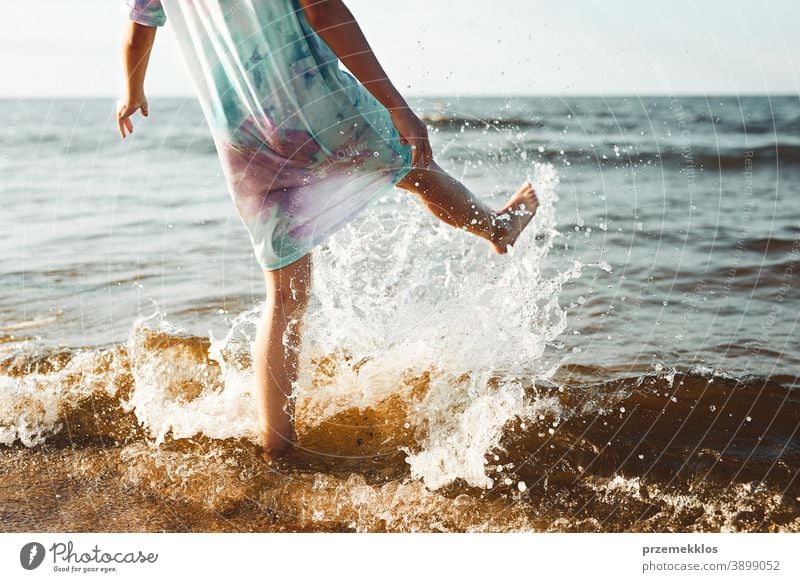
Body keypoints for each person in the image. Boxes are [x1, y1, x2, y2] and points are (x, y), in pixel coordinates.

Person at [118, 0, 539, 460]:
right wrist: (396, 104)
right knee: (414, 167)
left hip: (243, 134)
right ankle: (498, 228)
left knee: (284, 297)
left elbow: (140, 27)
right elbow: (323, 10)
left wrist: (131, 90)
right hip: (316, 104)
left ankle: (277, 449)